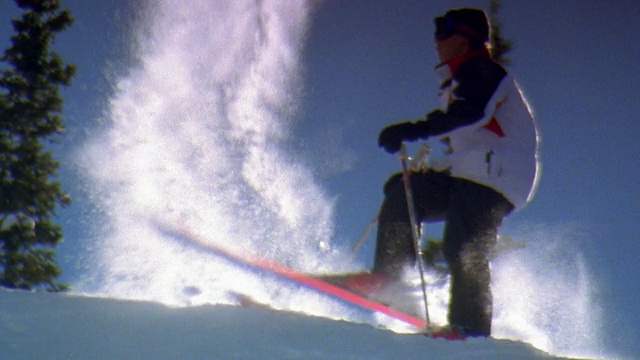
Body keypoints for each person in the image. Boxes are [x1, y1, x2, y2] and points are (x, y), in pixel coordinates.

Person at [374, 8, 539, 337]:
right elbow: (470, 150)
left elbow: (472, 113)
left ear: (464, 39)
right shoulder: (459, 80)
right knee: (406, 194)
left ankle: (471, 328)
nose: (436, 41)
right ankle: (389, 281)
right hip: (476, 171)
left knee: (463, 245)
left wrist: (415, 129)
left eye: (443, 33)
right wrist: (424, 175)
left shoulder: (483, 71)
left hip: (499, 178)